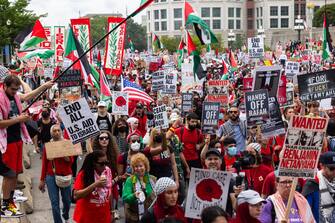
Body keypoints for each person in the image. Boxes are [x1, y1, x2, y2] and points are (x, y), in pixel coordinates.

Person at [0, 75, 53, 216]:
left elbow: (27, 95)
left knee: (16, 173)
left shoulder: (15, 95)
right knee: (9, 174)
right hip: (7, 141)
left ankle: (10, 199)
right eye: (12, 89)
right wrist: (19, 119)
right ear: (4, 86)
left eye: (17, 90)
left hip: (17, 138)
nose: (14, 92)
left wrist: (44, 86)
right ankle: (6, 206)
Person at [38, 124, 73, 223]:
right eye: (55, 131)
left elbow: (71, 162)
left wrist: (62, 154)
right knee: (54, 203)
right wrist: (42, 180)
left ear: (61, 132)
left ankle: (65, 215)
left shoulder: (66, 143)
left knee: (67, 201)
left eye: (58, 130)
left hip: (65, 174)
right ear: (51, 133)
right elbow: (44, 163)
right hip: (51, 176)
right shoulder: (48, 146)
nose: (57, 132)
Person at [73, 150, 113, 223]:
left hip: (103, 215)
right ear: (94, 163)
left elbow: (109, 192)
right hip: (88, 216)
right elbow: (76, 196)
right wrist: (95, 185)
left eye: (106, 163)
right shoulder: (84, 174)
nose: (104, 166)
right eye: (101, 164)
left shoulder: (108, 171)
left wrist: (112, 211)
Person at [92, 131, 120, 219]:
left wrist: (115, 180)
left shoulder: (114, 154)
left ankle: (114, 210)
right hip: (98, 184)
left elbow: (117, 171)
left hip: (112, 184)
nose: (104, 140)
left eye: (106, 138)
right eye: (101, 138)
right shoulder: (94, 154)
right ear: (98, 140)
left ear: (109, 140)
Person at [122, 153, 156, 223]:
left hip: (151, 217)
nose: (139, 168)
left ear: (145, 166)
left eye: (141, 166)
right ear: (133, 168)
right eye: (136, 166)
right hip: (134, 218)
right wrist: (134, 195)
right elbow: (125, 198)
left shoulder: (152, 179)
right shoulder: (130, 180)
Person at [302, 151, 335, 223]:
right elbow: (305, 213)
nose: (334, 171)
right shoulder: (312, 185)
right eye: (332, 168)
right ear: (322, 166)